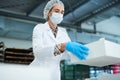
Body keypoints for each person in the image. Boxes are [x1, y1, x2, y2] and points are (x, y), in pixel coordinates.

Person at [30, 0, 89, 80]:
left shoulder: (63, 32)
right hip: (37, 73)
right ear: (49, 12)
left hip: (55, 74)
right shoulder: (40, 28)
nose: (60, 14)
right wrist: (62, 46)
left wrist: (87, 55)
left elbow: (69, 54)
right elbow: (38, 52)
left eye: (62, 12)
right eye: (57, 11)